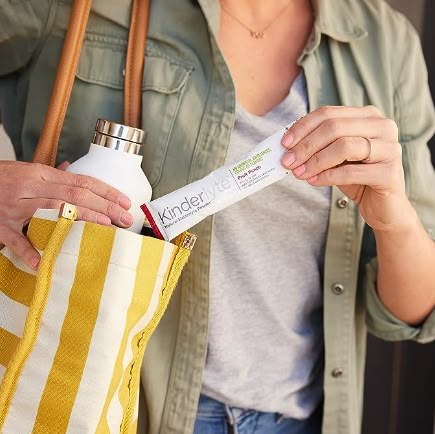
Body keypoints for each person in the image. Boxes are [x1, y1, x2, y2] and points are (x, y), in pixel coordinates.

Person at [0, 0, 434, 433]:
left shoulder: (384, 42)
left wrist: (394, 216)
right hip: (107, 403)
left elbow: (412, 314)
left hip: (296, 419)